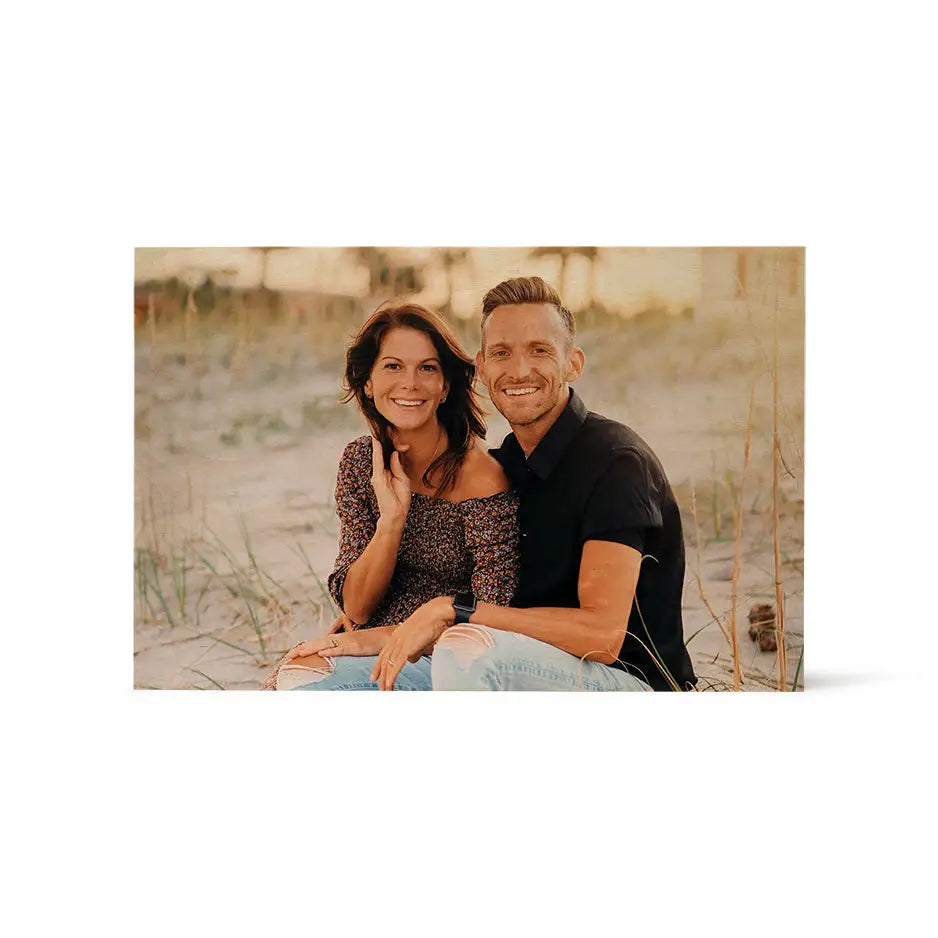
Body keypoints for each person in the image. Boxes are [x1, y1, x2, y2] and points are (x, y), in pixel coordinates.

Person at [366, 276, 698, 691]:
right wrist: (348, 642)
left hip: (628, 683)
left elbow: (602, 637)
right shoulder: (501, 467)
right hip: (513, 664)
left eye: (539, 350)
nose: (519, 370)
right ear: (483, 368)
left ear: (573, 363)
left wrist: (457, 610)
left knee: (464, 647)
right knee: (317, 679)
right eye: (502, 353)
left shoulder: (616, 462)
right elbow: (447, 605)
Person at [264, 302, 518, 690]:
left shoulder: (483, 478)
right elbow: (357, 606)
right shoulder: (360, 461)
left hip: (442, 654)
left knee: (304, 683)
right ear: (367, 381)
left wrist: (364, 640)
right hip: (368, 640)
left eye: (427, 368)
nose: (410, 383)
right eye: (393, 366)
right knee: (294, 674)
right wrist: (392, 520)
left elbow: (490, 617)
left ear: (445, 385)